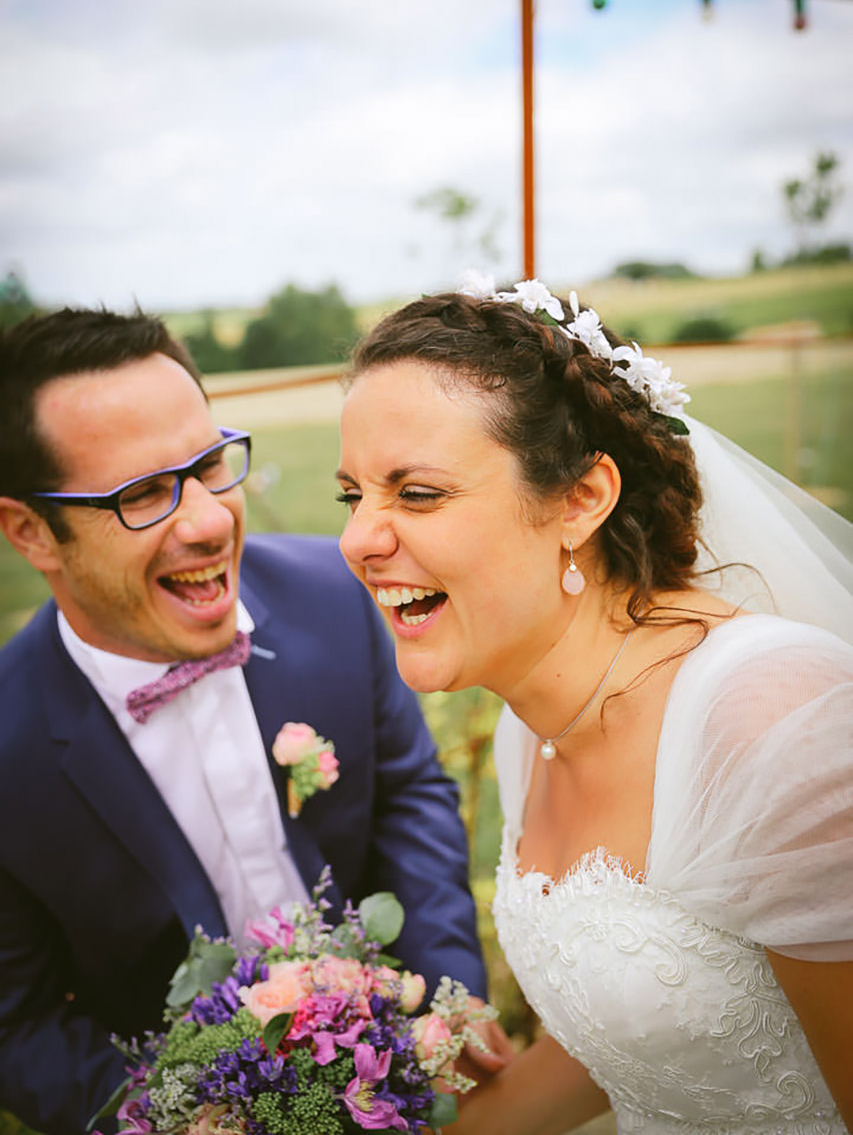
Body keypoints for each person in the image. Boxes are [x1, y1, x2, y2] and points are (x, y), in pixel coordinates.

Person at [336, 276, 853, 1133]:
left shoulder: (769, 725)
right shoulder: (527, 728)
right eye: (353, 495)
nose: (358, 539)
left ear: (580, 498)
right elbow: (645, 1040)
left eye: (416, 493)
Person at [0, 306, 491, 1135]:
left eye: (208, 466)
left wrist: (448, 999)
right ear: (29, 531)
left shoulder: (335, 598)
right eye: (142, 495)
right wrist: (166, 1118)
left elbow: (409, 796)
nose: (207, 520)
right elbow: (19, 1020)